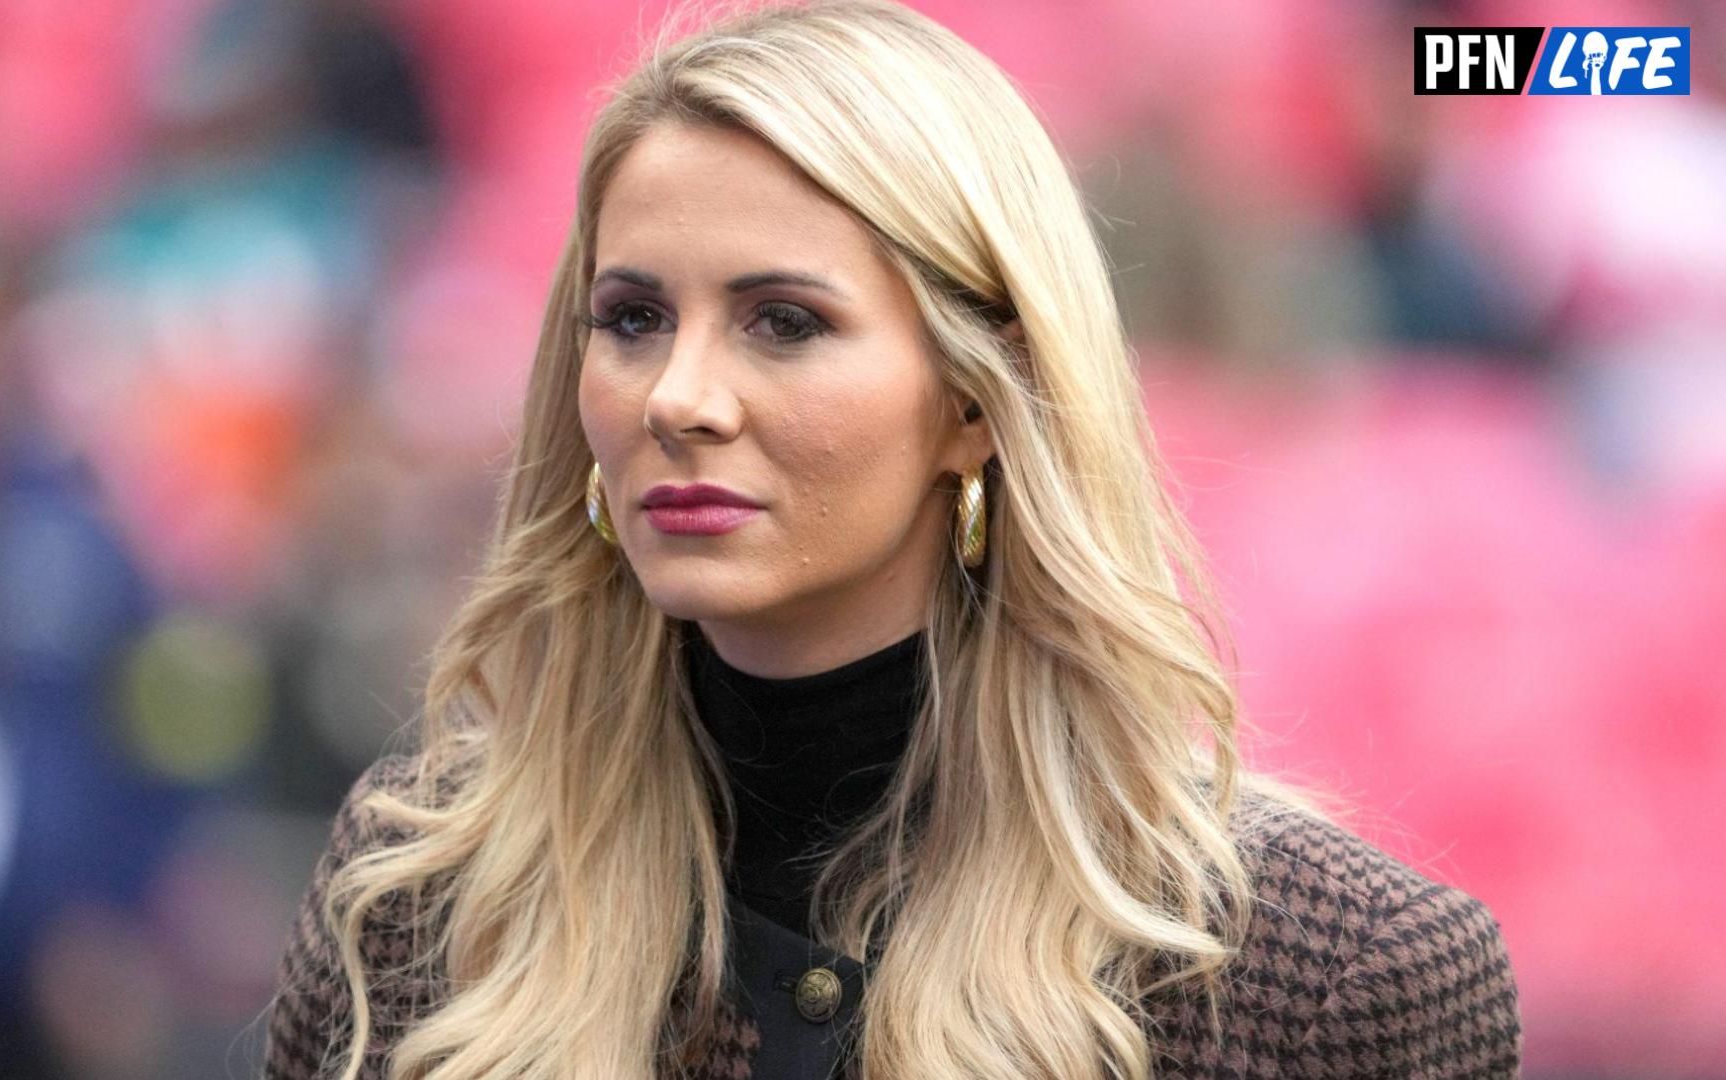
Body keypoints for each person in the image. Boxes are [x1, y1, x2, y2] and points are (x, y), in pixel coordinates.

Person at [261, 2, 1521, 1077]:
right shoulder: (422, 895)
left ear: (975, 402)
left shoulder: (1331, 977)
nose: (677, 397)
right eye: (634, 317)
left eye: (785, 323)